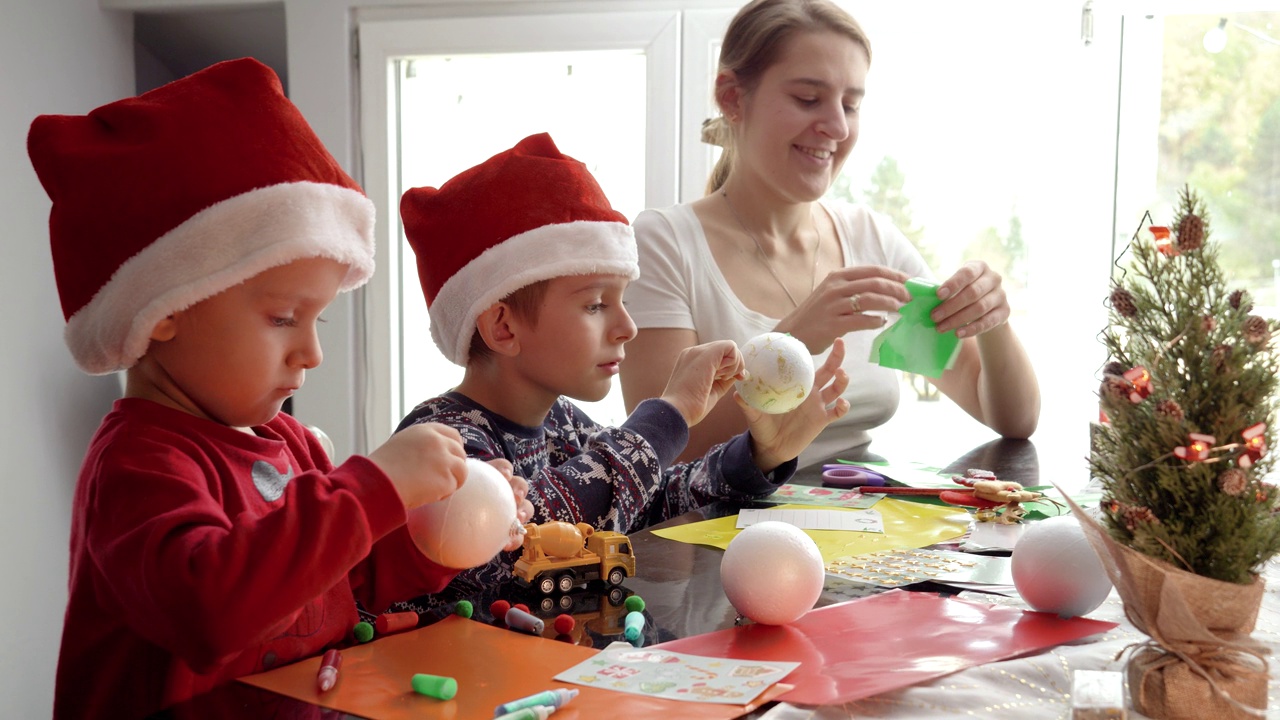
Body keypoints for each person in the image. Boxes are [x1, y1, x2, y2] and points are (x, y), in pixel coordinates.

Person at [28, 58, 531, 720]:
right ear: (165, 309)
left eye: (317, 318)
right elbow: (211, 609)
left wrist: (446, 525)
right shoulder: (139, 464)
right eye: (284, 317)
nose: (313, 351)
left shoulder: (287, 443)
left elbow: (346, 581)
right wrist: (373, 486)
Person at [390, 132, 849, 612]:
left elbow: (646, 494)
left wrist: (756, 456)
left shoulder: (562, 423)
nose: (627, 327)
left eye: (624, 301)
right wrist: (668, 415)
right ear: (503, 327)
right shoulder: (441, 442)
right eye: (595, 305)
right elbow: (519, 535)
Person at [620, 0, 1040, 468]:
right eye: (808, 99)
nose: (838, 127)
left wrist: (992, 321)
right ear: (733, 97)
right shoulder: (663, 244)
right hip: (724, 534)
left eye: (851, 104)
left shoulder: (872, 240)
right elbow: (656, 455)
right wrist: (791, 345)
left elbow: (1013, 418)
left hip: (870, 530)